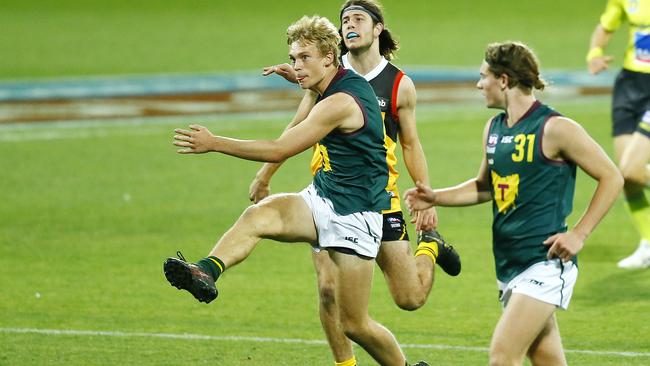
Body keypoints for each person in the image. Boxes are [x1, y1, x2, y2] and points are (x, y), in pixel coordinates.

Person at [164, 15, 428, 366]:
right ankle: (205, 271)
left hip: (357, 216)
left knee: (354, 324)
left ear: (330, 59)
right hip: (323, 198)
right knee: (259, 215)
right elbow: (320, 83)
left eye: (304, 58)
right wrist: (304, 76)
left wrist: (214, 142)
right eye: (293, 58)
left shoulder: (341, 102)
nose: (296, 65)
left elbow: (279, 149)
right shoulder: (334, 83)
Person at [253, 2, 459, 365]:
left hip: (380, 199)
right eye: (344, 19)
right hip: (331, 198)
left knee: (409, 298)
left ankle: (430, 248)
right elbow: (295, 131)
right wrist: (265, 174)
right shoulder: (326, 75)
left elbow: (410, 143)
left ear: (377, 28)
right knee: (328, 289)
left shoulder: (398, 84)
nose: (349, 24)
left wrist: (425, 196)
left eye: (358, 18)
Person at [404, 42, 623, 365]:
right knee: (547, 359)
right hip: (509, 264)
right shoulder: (493, 129)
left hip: (544, 262)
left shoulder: (556, 128)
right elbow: (484, 187)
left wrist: (579, 234)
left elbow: (612, 177)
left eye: (483, 77)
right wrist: (436, 197)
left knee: (502, 355)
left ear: (503, 80)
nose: (479, 85)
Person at [586, 0, 650, 269]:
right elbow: (606, 25)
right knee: (627, 178)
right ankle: (648, 243)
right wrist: (595, 53)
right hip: (630, 86)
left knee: (632, 168)